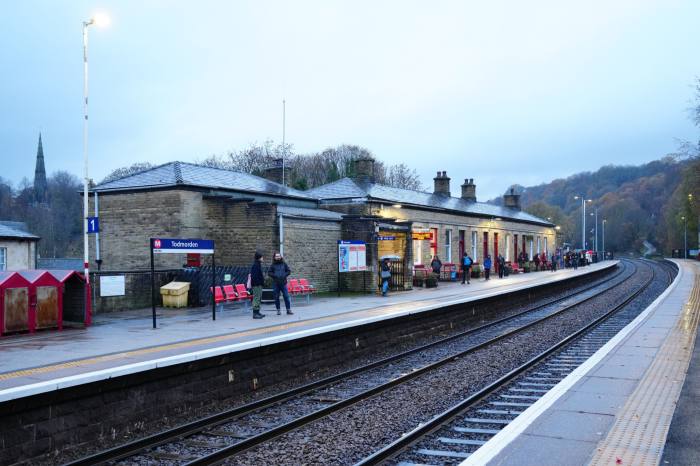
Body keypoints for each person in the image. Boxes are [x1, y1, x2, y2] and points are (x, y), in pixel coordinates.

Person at [250, 251, 266, 319]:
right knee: (256, 298)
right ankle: (255, 313)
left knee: (259, 298)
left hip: (259, 284)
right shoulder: (256, 265)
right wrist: (258, 283)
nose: (263, 258)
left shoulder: (258, 264)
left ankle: (258, 312)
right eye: (262, 257)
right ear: (259, 258)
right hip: (256, 285)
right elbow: (254, 276)